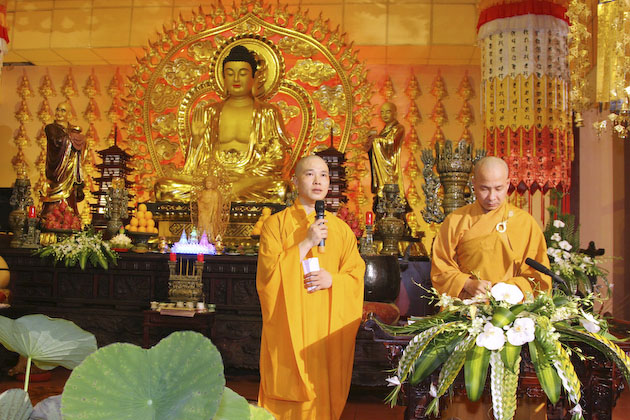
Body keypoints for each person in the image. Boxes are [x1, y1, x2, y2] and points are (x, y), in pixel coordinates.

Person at [431, 156, 551, 420]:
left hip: (515, 318)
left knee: (516, 389)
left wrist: (507, 290)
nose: (492, 196)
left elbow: (539, 277)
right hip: (468, 314)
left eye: (498, 188)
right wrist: (467, 283)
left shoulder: (525, 223)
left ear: (508, 184)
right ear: (473, 184)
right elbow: (440, 269)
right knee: (466, 389)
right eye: (484, 188)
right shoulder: (456, 221)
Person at [256, 155, 365, 420]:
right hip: (289, 324)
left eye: (324, 175)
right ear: (295, 181)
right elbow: (268, 276)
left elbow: (355, 275)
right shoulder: (275, 225)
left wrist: (333, 280)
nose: (318, 181)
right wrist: (306, 242)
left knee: (322, 392)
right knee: (288, 385)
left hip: (325, 327)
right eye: (309, 174)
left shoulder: (341, 230)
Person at [155, 45, 290, 202]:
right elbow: (194, 168)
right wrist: (197, 141)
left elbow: (276, 158)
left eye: (243, 73)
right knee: (163, 188)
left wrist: (245, 179)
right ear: (224, 78)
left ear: (254, 77)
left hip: (248, 182)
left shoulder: (268, 113)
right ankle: (220, 194)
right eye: (230, 74)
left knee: (281, 190)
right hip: (211, 181)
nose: (236, 79)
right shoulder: (209, 112)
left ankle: (223, 194)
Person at [42, 102, 87, 216]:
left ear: (69, 114)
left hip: (70, 168)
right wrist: (72, 138)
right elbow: (57, 141)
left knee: (70, 198)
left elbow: (80, 147)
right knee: (53, 207)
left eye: (63, 110)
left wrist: (80, 140)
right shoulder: (50, 128)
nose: (59, 113)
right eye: (57, 109)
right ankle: (52, 215)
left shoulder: (73, 130)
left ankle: (69, 214)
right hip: (57, 167)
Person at [368, 102, 405, 198]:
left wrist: (376, 140)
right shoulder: (384, 131)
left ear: (395, 113)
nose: (384, 115)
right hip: (381, 169)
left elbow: (391, 143)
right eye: (382, 112)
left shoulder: (399, 128)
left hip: (390, 166)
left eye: (388, 112)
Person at [196, 175, 223, 240]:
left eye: (209, 183)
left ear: (213, 184)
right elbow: (201, 201)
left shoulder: (215, 193)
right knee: (202, 223)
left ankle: (210, 237)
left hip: (211, 211)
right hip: (203, 211)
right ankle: (201, 237)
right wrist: (199, 198)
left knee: (210, 224)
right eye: (207, 183)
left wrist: (214, 213)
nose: (208, 185)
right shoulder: (203, 192)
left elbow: (216, 204)